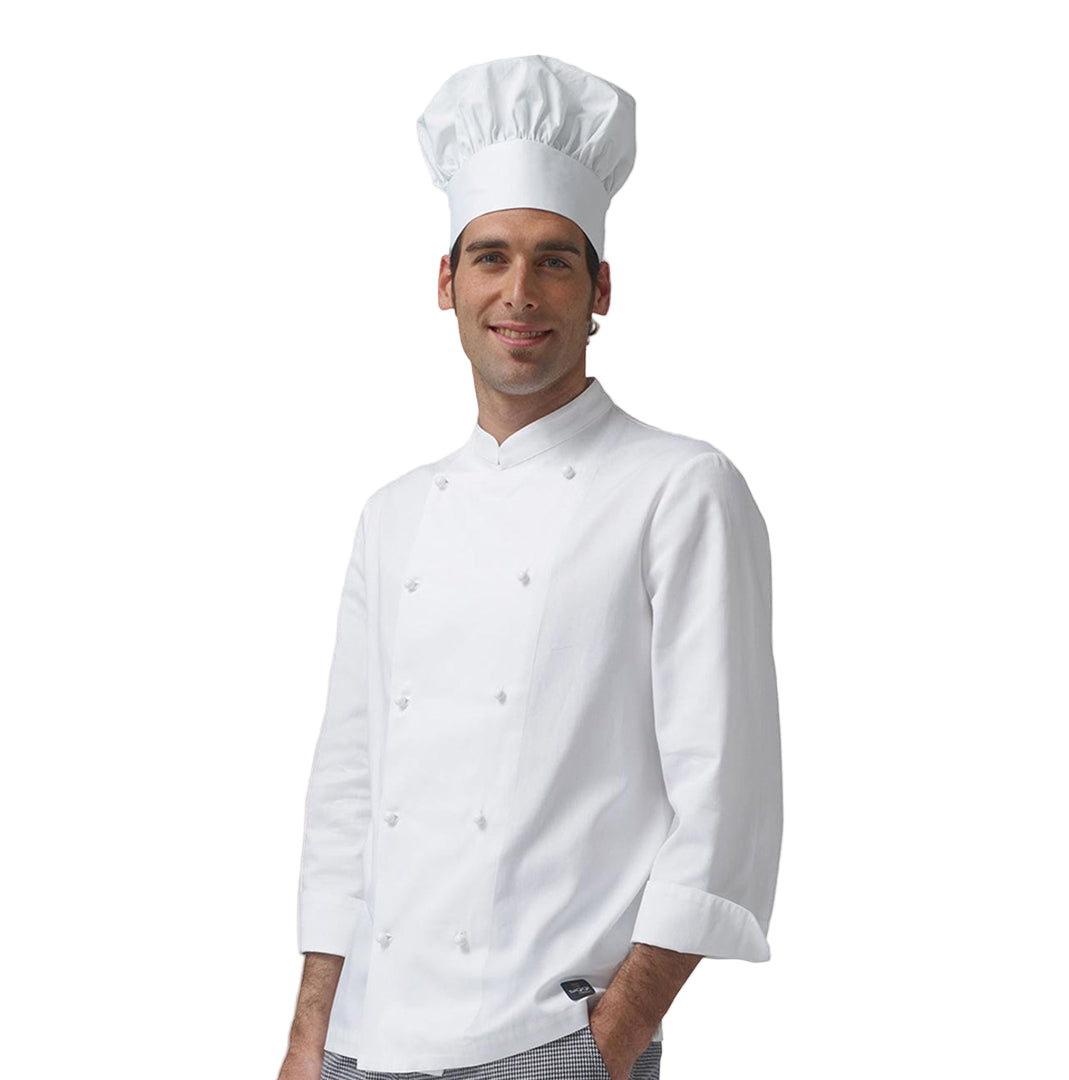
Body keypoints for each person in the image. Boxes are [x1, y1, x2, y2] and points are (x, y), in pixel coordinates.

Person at [277, 55, 783, 1080]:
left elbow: (725, 794)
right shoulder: (393, 514)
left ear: (601, 289)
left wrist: (610, 1040)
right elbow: (348, 793)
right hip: (363, 1040)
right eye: (491, 257)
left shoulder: (680, 489)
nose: (519, 293)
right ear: (446, 283)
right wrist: (306, 1041)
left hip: (545, 1042)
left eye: (554, 261)